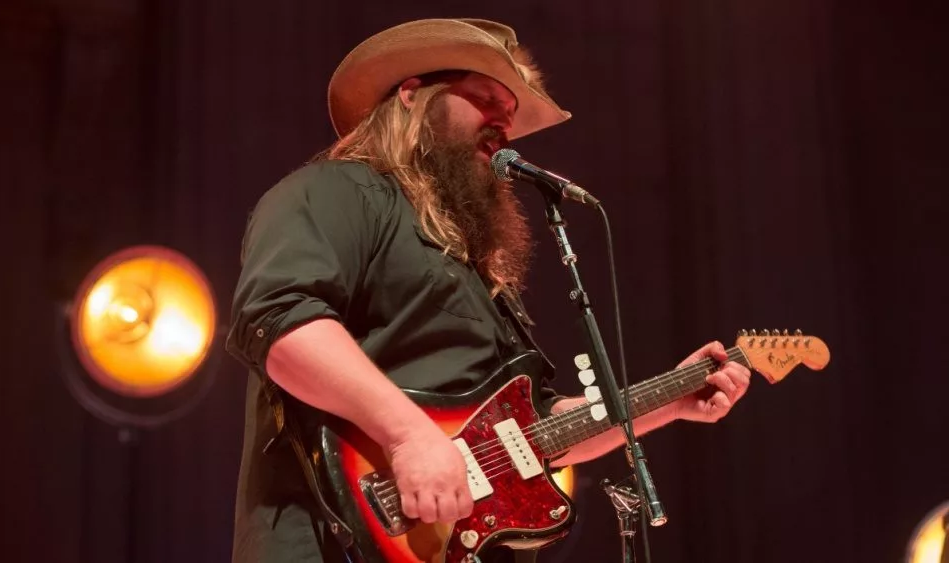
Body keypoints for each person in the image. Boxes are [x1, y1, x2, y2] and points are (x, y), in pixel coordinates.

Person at [224, 17, 751, 563]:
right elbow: (281, 323)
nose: (504, 120)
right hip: (330, 541)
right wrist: (408, 436)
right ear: (411, 96)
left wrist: (666, 402)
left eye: (512, 111)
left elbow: (533, 433)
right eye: (485, 98)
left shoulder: (477, 269)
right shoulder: (336, 191)